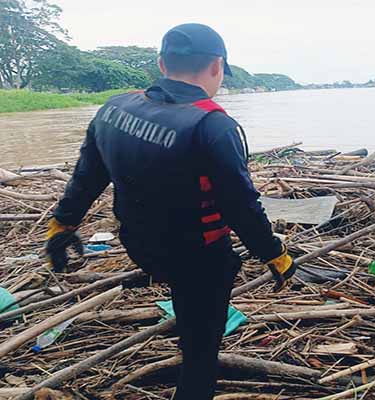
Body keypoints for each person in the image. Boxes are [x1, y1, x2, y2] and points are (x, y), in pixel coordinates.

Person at [44, 23, 296, 400]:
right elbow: (241, 207)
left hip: (140, 245)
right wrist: (275, 254)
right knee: (201, 352)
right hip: (196, 258)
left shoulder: (114, 108)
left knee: (187, 288)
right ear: (216, 66)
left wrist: (62, 224)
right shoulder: (214, 126)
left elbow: (87, 175)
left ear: (162, 63)